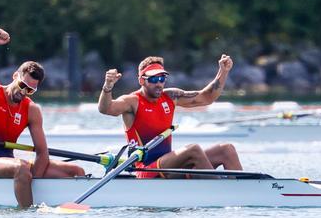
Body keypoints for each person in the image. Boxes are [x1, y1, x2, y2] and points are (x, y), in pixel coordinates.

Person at [0, 28, 84, 208]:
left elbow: (42, 153)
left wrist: (35, 180)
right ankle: (27, 215)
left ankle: (75, 209)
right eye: (22, 85)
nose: (24, 92)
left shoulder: (32, 110)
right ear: (15, 76)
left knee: (76, 171)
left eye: (30, 90)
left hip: (13, 165)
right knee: (22, 167)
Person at [97, 55, 242, 178]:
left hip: (168, 165)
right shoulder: (131, 101)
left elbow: (206, 98)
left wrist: (223, 72)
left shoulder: (171, 96)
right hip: (146, 169)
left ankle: (243, 192)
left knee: (226, 149)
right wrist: (108, 86)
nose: (159, 83)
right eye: (153, 79)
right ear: (141, 80)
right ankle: (219, 192)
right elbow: (106, 108)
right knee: (193, 150)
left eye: (162, 78)